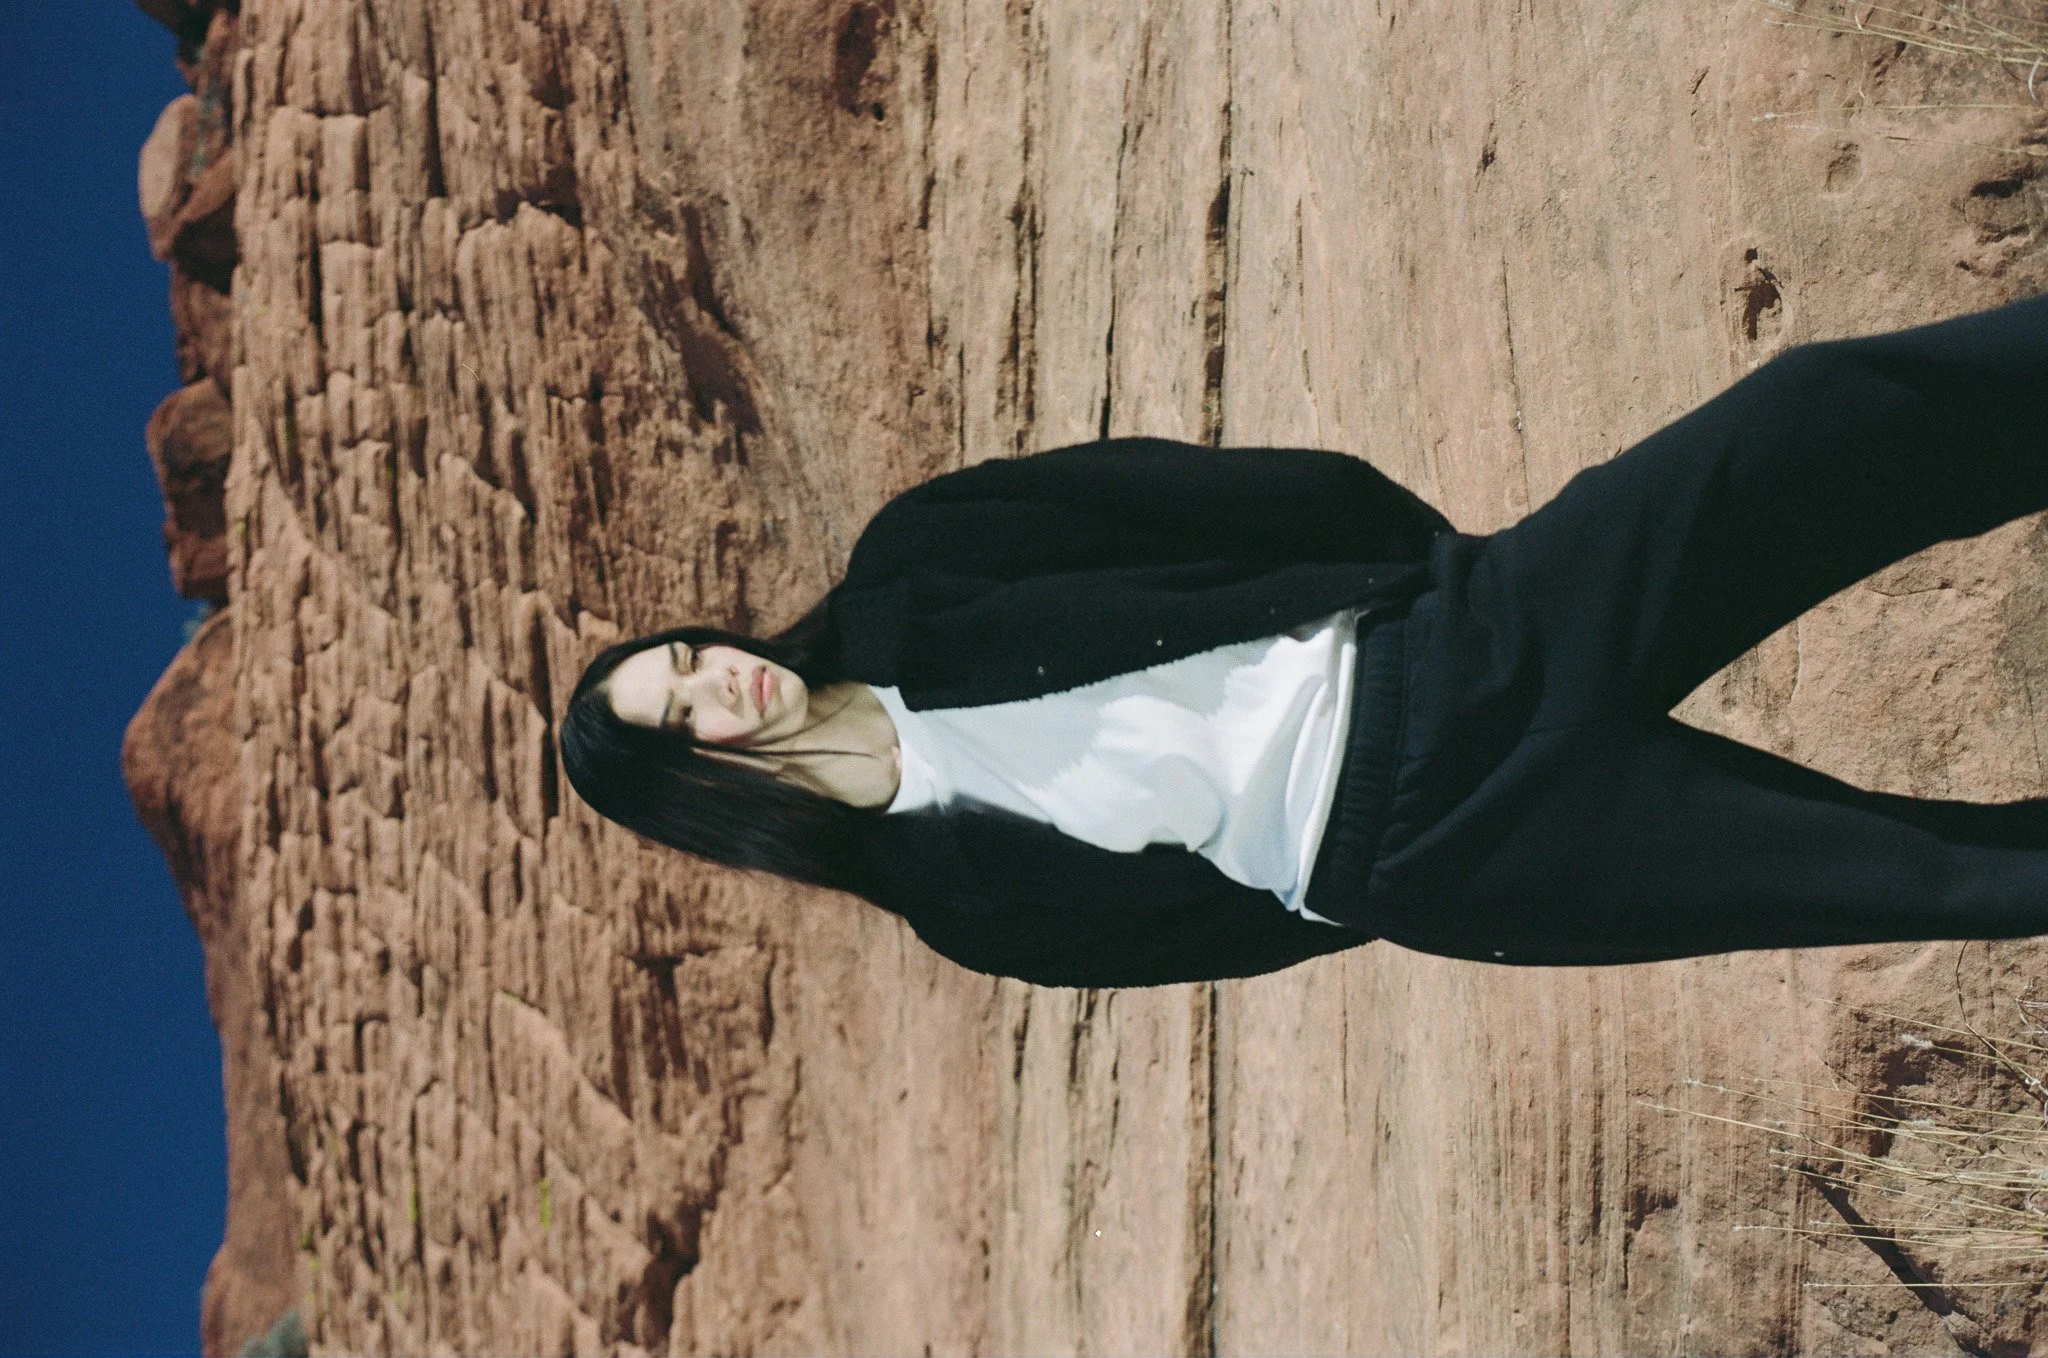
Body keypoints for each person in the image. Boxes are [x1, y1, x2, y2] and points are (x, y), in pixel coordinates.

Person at [562, 290, 2048, 988]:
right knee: (1927, 871)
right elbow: (1211, 936)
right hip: (1436, 853)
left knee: (1812, 420)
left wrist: (1427, 582)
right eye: (683, 715)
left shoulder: (916, 566)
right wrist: (1374, 873)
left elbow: (1171, 494)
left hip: (1449, 643)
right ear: (702, 783)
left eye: (684, 657)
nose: (716, 680)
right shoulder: (956, 905)